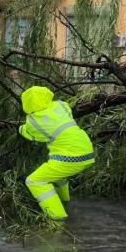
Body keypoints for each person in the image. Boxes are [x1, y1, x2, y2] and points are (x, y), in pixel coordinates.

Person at [19, 86, 95, 220]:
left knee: (34, 181)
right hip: (87, 150)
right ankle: (65, 202)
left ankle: (57, 218)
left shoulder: (33, 121)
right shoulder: (61, 105)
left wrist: (20, 129)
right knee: (58, 175)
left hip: (70, 157)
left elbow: (32, 135)